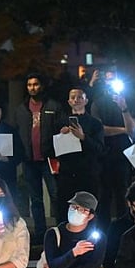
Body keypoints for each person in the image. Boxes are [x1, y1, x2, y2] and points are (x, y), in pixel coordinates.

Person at [16, 73, 63, 237]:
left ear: (41, 86)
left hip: (49, 159)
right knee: (35, 199)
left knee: (56, 195)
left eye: (35, 84)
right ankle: (40, 232)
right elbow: (17, 132)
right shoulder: (21, 109)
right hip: (29, 161)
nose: (32, 88)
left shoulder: (53, 106)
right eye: (29, 85)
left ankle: (60, 229)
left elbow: (61, 130)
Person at [91, 69, 135, 229]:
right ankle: (103, 233)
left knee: (122, 195)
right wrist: (123, 130)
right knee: (104, 197)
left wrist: (124, 108)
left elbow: (133, 129)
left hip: (123, 156)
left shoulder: (128, 101)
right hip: (104, 156)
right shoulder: (98, 102)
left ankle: (123, 230)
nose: (111, 83)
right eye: (108, 80)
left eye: (114, 79)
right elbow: (100, 129)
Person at [55, 88, 105, 223]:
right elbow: (52, 149)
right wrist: (60, 136)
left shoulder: (95, 123)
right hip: (67, 174)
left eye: (79, 97)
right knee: (64, 209)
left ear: (86, 101)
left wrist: (83, 137)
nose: (76, 100)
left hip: (88, 174)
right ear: (68, 101)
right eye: (72, 97)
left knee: (89, 210)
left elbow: (100, 148)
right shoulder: (60, 122)